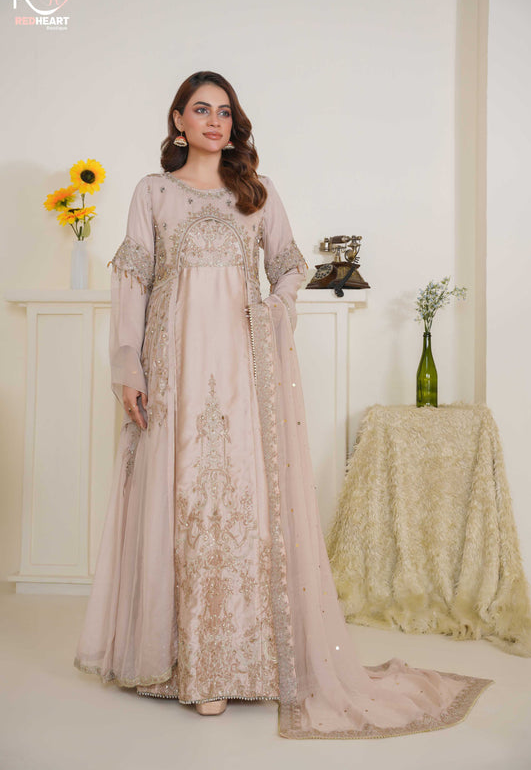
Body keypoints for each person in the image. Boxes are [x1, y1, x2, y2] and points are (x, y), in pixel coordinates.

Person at [74, 70, 493, 738]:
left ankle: (235, 662)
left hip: (243, 375)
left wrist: (270, 309)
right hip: (173, 370)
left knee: (237, 501)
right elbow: (135, 281)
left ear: (234, 123)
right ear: (178, 120)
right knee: (177, 498)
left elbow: (291, 265)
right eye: (201, 110)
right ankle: (176, 660)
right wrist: (129, 368)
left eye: (224, 111)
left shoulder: (257, 193)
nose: (215, 121)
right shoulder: (152, 192)